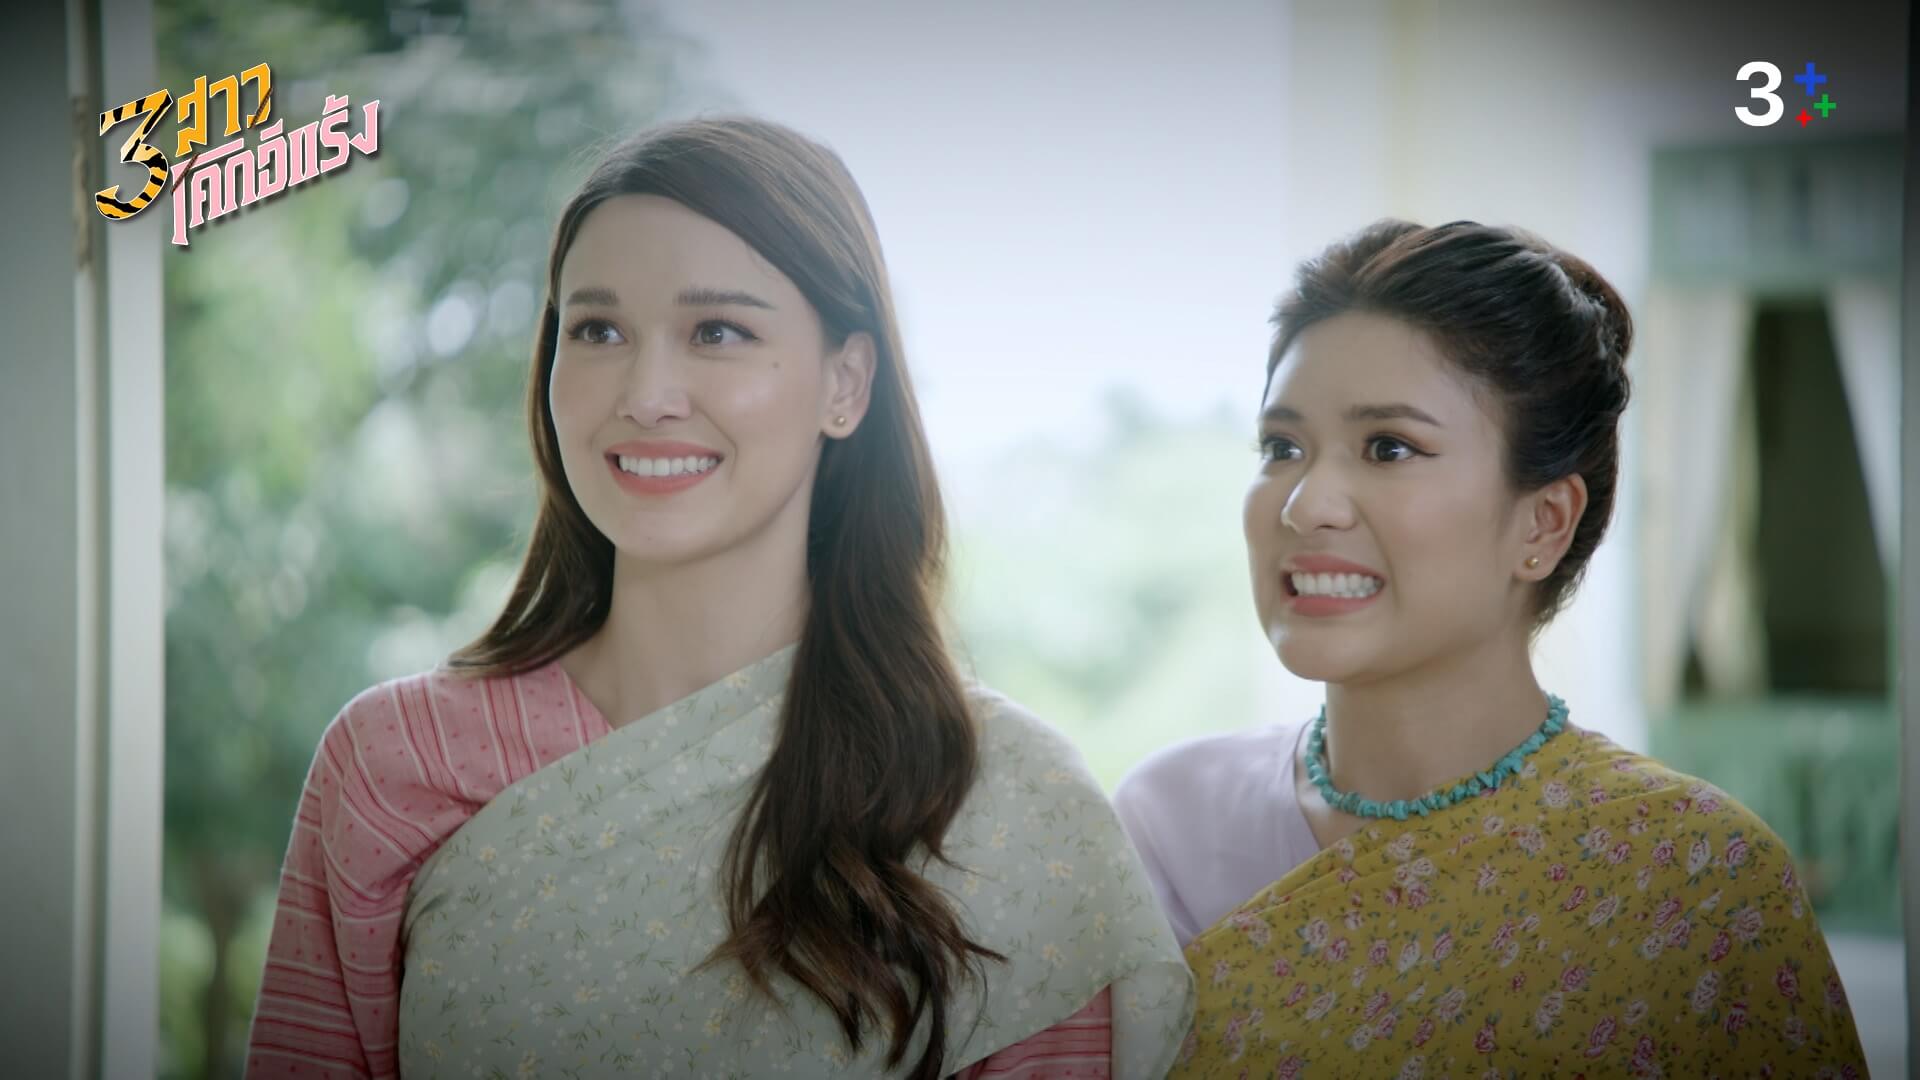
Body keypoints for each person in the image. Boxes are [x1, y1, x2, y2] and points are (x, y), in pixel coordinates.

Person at [245, 116, 1192, 1080]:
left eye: (718, 332)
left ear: (846, 383)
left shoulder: (1006, 801)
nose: (647, 393)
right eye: (598, 330)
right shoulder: (392, 764)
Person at [1114, 220, 1868, 1077]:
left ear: (1543, 523)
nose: (1305, 504)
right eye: (1282, 447)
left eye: (1389, 447)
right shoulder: (1165, 824)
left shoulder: (1693, 877)